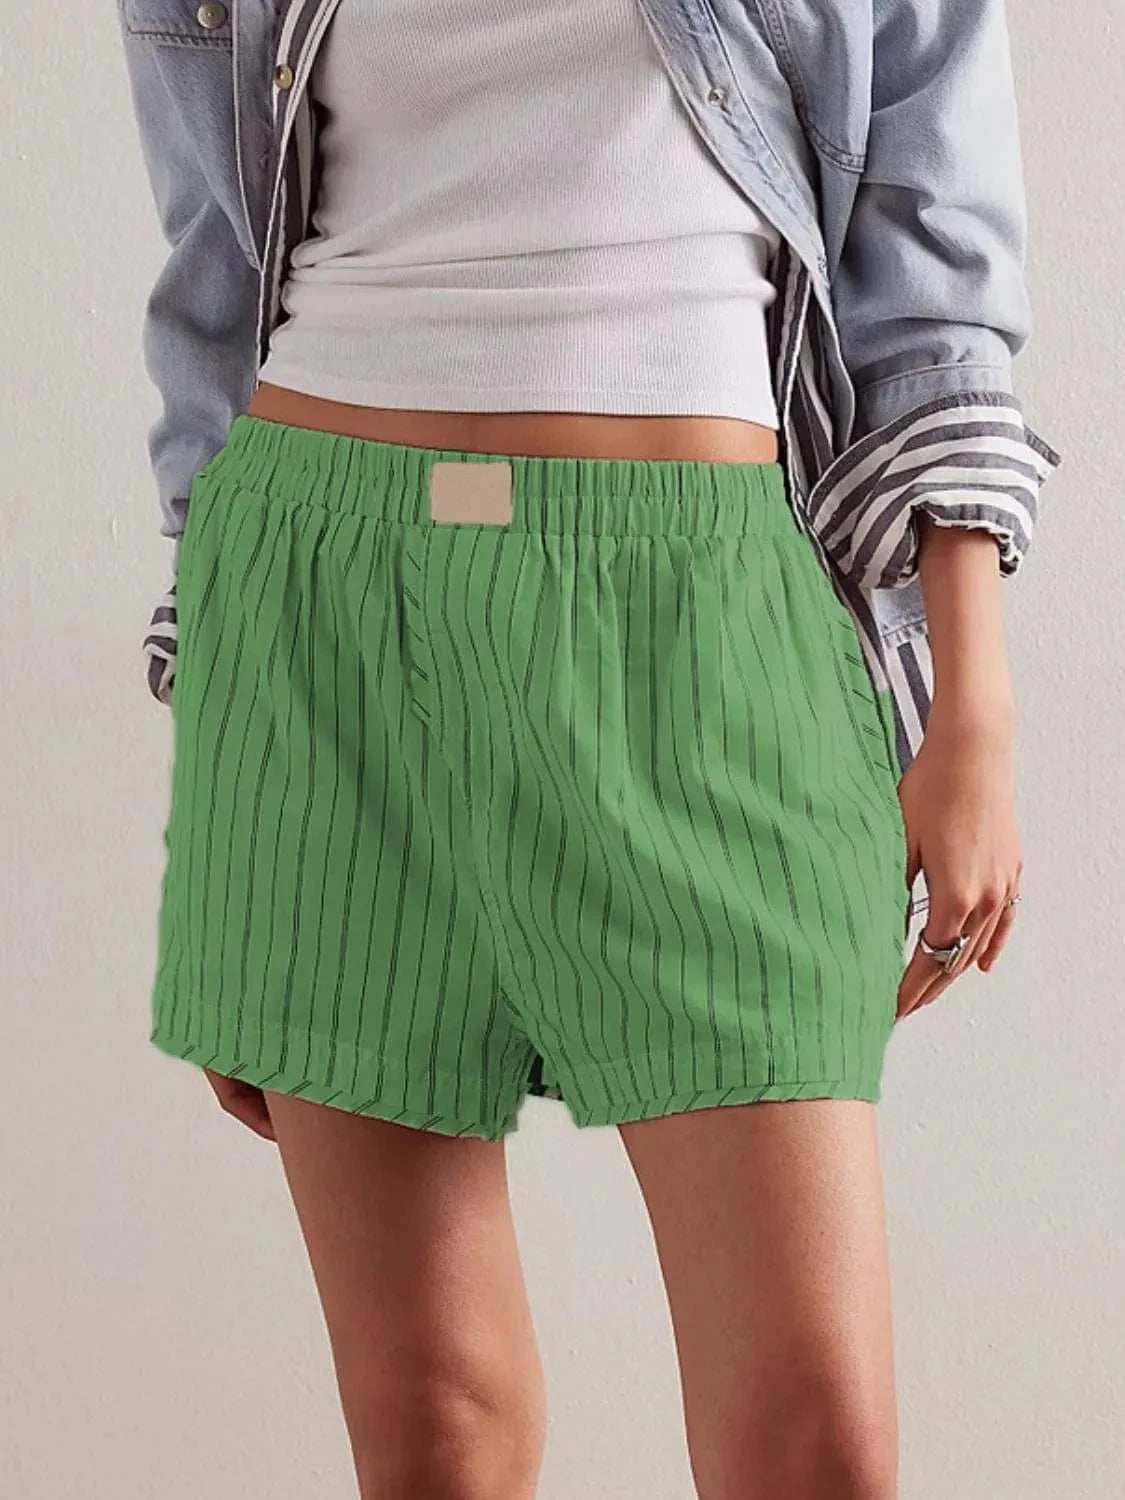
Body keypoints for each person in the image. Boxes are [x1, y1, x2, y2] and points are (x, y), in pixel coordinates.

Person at [117, 1, 1059, 1495]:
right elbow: (214, 261)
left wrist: (975, 714)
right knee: (436, 1428)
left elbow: (930, 239)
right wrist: (226, 724)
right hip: (313, 605)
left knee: (815, 1437)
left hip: (697, 608)